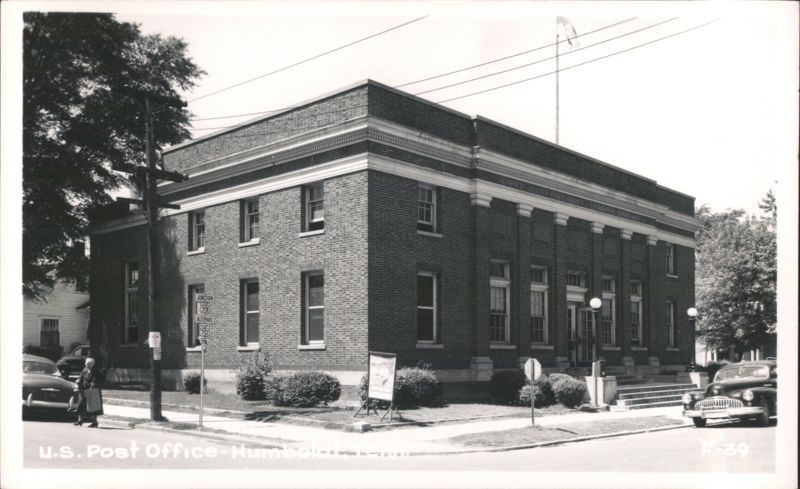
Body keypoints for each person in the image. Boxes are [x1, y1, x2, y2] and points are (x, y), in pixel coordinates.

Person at [74, 357, 103, 427]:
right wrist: (78, 383)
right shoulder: (84, 370)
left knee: (93, 407)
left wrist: (94, 384)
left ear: (93, 364)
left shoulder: (97, 371)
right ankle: (80, 420)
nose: (88, 365)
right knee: (81, 406)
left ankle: (94, 422)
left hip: (93, 391)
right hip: (84, 390)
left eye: (89, 364)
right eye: (87, 364)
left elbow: (98, 380)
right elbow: (81, 378)